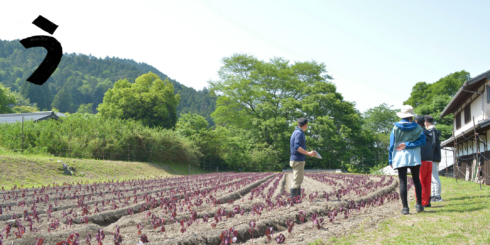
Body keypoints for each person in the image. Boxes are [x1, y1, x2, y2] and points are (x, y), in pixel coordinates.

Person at [389, 105, 425, 214]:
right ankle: (419, 205)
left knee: (403, 181)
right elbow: (423, 142)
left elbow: (391, 145)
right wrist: (409, 144)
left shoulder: (395, 127)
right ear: (411, 115)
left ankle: (405, 208)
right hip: (414, 154)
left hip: (399, 155)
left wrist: (390, 159)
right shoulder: (418, 127)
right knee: (416, 180)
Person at [290, 117, 317, 200]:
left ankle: (297, 199)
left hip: (294, 159)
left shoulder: (295, 132)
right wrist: (308, 153)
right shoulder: (299, 133)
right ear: (305, 125)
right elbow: (297, 146)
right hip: (298, 160)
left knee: (298, 180)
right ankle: (293, 201)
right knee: (297, 181)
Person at [414, 115, 433, 208]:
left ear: (417, 122)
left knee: (419, 181)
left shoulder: (418, 132)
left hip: (421, 159)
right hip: (429, 160)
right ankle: (427, 201)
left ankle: (422, 202)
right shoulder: (429, 133)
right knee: (427, 182)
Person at [425, 115, 443, 202]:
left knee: (435, 177)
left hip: (433, 158)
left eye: (424, 122)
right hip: (434, 158)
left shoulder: (432, 132)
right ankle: (434, 195)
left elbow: (432, 145)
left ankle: (437, 196)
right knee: (433, 177)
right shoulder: (433, 131)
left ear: (426, 122)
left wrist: (429, 155)